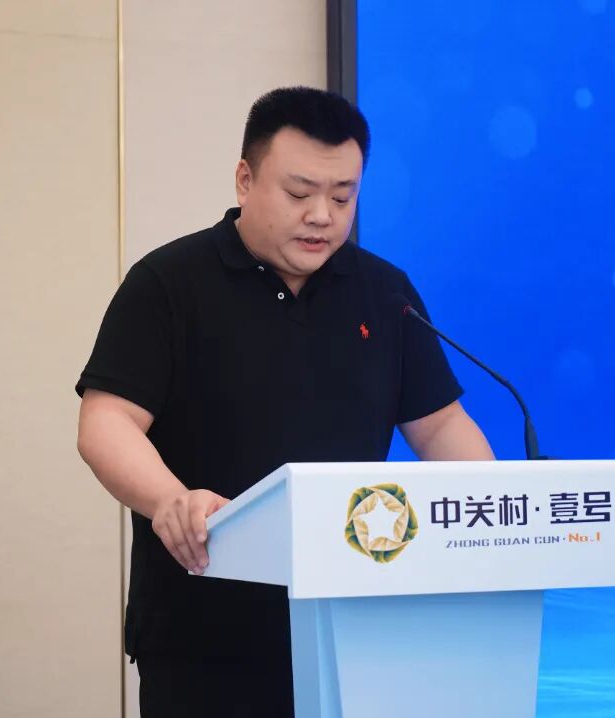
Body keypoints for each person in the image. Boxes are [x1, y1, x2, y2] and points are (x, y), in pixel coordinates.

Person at [75, 86, 494, 717]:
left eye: (343, 197)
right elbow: (107, 421)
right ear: (245, 180)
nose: (322, 215)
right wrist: (169, 500)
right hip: (205, 635)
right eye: (300, 194)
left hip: (354, 626)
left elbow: (440, 428)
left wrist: (493, 521)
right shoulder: (168, 283)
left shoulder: (385, 293)